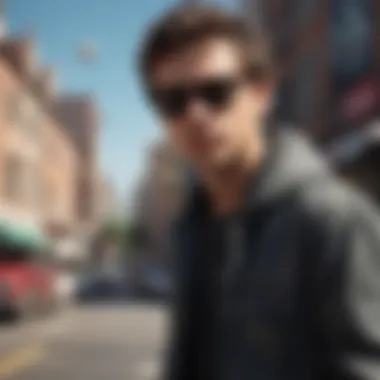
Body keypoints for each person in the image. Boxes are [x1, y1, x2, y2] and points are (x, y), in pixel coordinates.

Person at [138, 3, 380, 380]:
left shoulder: (334, 221)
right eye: (174, 101)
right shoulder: (190, 226)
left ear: (261, 94)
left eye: (215, 92)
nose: (195, 114)